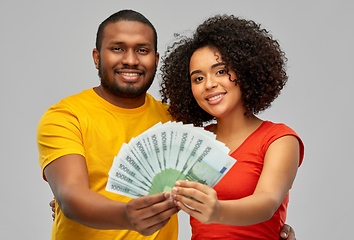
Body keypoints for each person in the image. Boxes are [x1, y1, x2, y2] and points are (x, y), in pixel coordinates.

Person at [39, 9, 297, 240]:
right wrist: (69, 204)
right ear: (96, 57)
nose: (130, 60)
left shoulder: (178, 124)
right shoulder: (65, 116)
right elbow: (71, 194)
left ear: (156, 59)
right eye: (117, 48)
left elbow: (263, 200)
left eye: (142, 50)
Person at [160, 14, 304, 239]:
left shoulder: (280, 139)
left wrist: (217, 211)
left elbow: (266, 203)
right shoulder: (193, 143)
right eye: (198, 79)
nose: (209, 84)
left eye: (220, 71)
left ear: (245, 69)